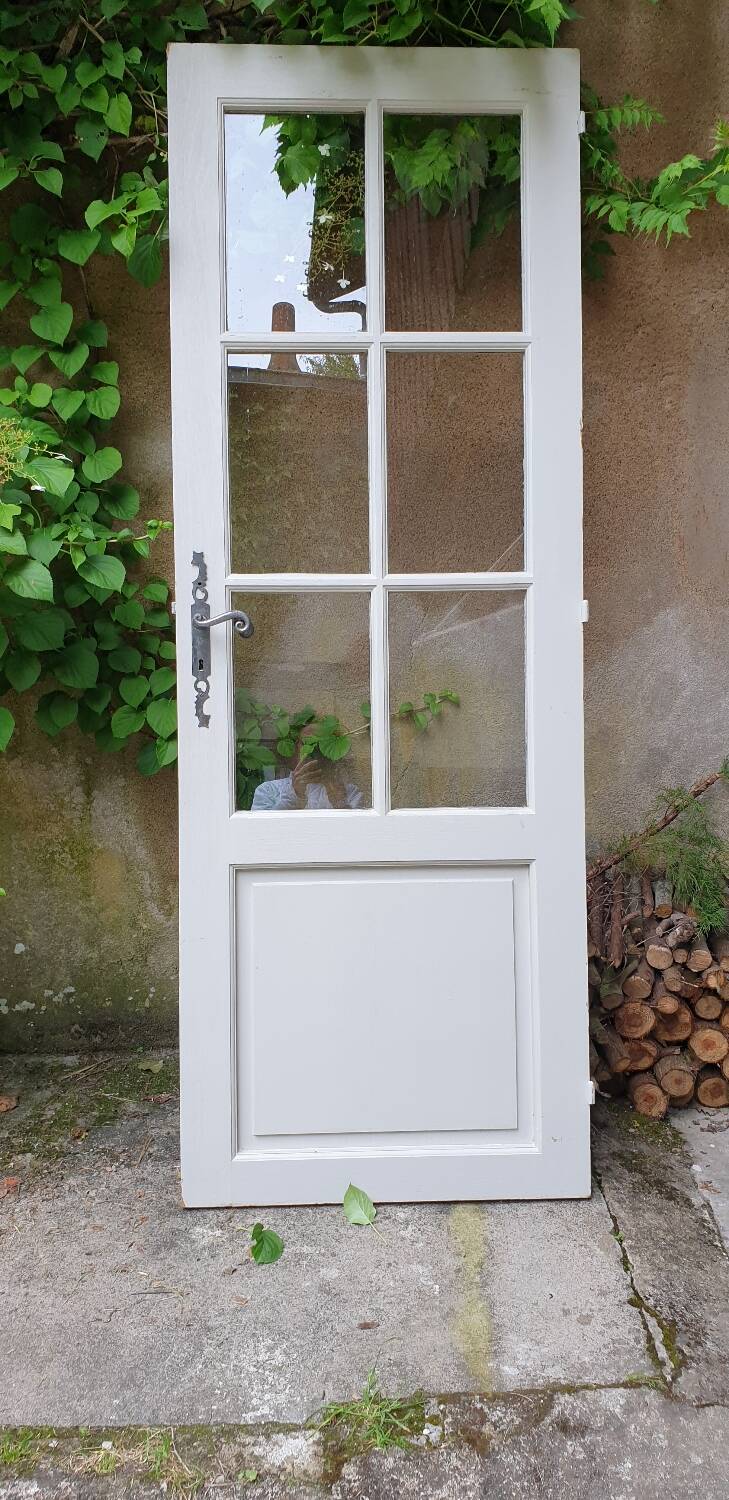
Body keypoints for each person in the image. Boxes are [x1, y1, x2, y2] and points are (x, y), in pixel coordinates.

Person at [250, 729, 363, 810]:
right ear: (297, 747)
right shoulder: (268, 790)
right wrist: (295, 794)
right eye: (307, 743)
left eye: (319, 745)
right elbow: (262, 833)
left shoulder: (349, 792)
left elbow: (358, 834)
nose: (312, 751)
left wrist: (339, 802)